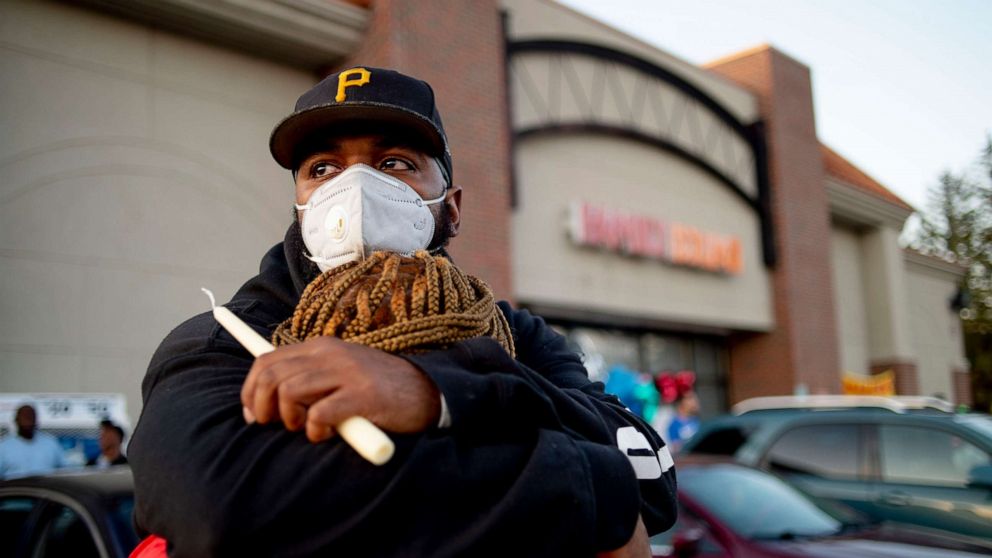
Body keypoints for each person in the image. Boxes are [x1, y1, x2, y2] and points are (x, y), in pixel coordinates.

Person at [129, 66, 677, 557]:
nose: (354, 187)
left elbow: (651, 473)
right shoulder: (224, 340)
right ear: (299, 205)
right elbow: (220, 512)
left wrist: (437, 392)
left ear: (451, 207)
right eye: (321, 168)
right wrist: (588, 485)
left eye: (394, 162)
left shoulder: (517, 333)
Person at [0, 404, 66, 479]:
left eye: (31, 417)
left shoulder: (51, 443)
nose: (28, 421)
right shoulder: (3, 447)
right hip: (15, 489)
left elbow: (65, 470)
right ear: (16, 420)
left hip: (45, 489)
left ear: (36, 421)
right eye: (24, 417)